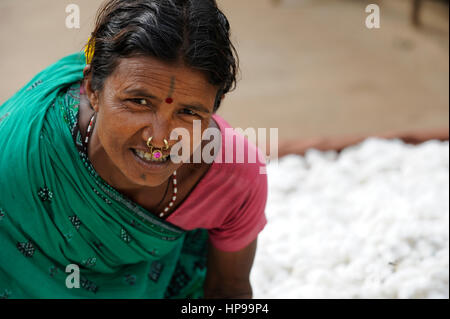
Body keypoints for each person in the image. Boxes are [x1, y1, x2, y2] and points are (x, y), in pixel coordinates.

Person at [0, 0, 267, 299]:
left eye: (189, 112)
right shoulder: (27, 152)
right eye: (139, 102)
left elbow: (228, 291)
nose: (159, 139)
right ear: (92, 89)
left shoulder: (232, 179)